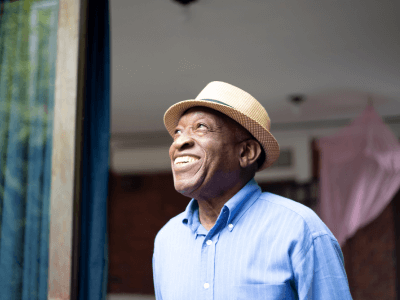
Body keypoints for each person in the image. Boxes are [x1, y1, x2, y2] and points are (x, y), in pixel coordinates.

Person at [152, 81, 352, 300]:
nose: (179, 142)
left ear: (246, 152)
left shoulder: (299, 229)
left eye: (201, 127)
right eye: (178, 131)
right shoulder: (167, 239)